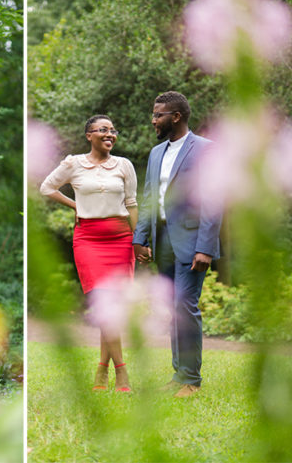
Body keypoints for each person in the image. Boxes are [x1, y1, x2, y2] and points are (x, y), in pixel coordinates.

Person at [132, 91, 222, 399]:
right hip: (162, 242)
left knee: (185, 306)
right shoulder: (156, 153)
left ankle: (191, 380)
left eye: (158, 115)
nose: (153, 120)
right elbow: (149, 198)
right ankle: (177, 373)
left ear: (176, 117)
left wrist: (206, 248)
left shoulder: (206, 150)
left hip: (192, 241)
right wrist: (139, 239)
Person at [40, 115, 139, 392]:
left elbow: (131, 204)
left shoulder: (124, 165)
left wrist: (139, 240)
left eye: (113, 130)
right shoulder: (73, 164)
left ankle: (101, 371)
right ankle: (122, 374)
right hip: (88, 241)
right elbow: (46, 188)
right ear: (89, 135)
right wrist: (76, 205)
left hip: (121, 239)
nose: (110, 134)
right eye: (103, 130)